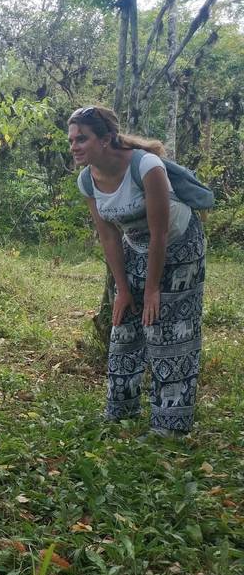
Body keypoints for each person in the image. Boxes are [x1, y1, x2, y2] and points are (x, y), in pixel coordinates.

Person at [69, 105, 205, 439]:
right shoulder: (87, 180)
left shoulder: (147, 166)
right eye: (71, 139)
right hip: (134, 246)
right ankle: (120, 412)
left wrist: (153, 289)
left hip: (178, 246)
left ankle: (170, 427)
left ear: (105, 139)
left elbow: (160, 233)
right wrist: (123, 290)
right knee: (124, 326)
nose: (74, 146)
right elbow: (108, 235)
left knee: (167, 331)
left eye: (82, 139)